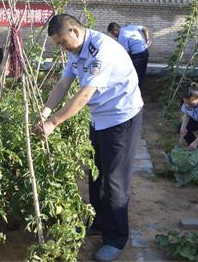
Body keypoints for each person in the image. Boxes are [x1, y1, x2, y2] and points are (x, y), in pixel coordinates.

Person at [35, 14, 143, 262]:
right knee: (95, 174)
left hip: (121, 116)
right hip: (101, 116)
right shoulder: (75, 52)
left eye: (62, 42)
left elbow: (84, 94)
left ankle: (116, 238)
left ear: (74, 31)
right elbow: (63, 84)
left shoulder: (100, 49)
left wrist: (53, 122)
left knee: (114, 180)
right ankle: (96, 222)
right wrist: (45, 111)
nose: (62, 49)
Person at [107, 22, 151, 88]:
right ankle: (139, 88)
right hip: (145, 51)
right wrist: (147, 39)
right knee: (141, 72)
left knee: (135, 74)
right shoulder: (130, 27)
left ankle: (136, 89)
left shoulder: (121, 37)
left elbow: (127, 53)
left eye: (112, 33)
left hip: (138, 56)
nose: (113, 35)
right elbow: (144, 28)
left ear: (115, 30)